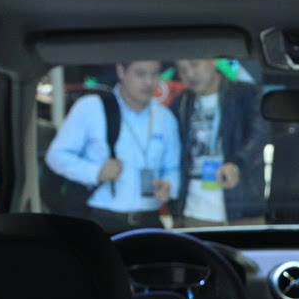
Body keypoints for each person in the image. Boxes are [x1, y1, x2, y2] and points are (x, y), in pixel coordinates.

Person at [45, 60, 180, 233]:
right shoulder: (92, 107)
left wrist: (169, 185)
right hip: (103, 218)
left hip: (150, 219)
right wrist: (95, 172)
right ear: (121, 71)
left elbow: (173, 167)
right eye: (140, 74)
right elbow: (56, 155)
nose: (149, 82)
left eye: (154, 74)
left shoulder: (165, 117)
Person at [170, 59, 268, 228]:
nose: (190, 74)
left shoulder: (247, 94)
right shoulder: (181, 102)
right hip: (194, 208)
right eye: (182, 70)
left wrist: (236, 165)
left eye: (194, 64)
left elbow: (260, 136)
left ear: (213, 60)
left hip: (242, 205)